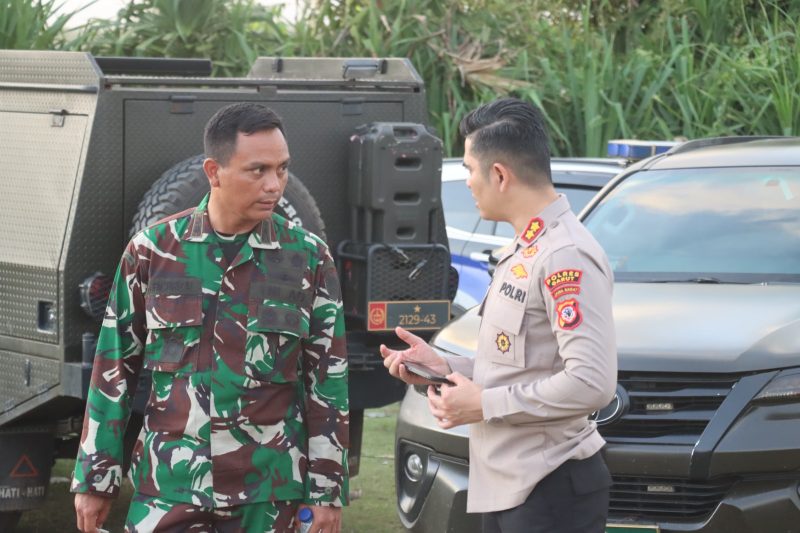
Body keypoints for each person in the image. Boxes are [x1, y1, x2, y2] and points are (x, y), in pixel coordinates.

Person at [72, 102, 349, 533]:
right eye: (257, 170)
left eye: (282, 169)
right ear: (214, 172)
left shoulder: (309, 257)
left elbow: (327, 382)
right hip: (170, 486)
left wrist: (326, 491)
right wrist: (95, 478)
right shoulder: (152, 251)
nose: (274, 185)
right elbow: (113, 370)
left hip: (269, 492)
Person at [381, 97, 617, 533]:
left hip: (549, 487)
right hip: (512, 485)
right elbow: (523, 363)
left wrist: (484, 404)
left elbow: (591, 382)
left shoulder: (565, 255)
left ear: (500, 175)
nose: (469, 182)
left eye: (470, 169)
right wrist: (445, 367)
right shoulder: (526, 248)